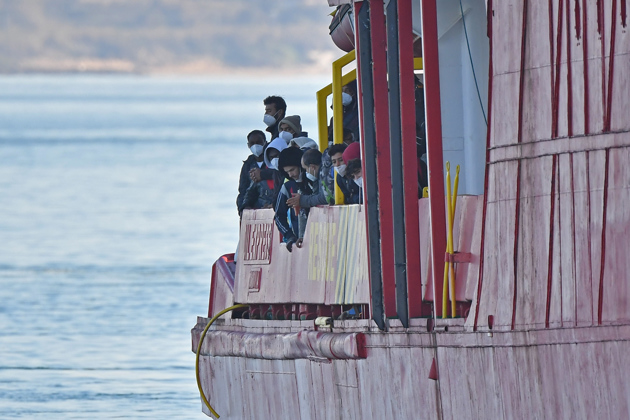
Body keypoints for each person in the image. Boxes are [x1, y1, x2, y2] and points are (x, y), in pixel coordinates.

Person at [274, 147, 311, 252]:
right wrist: (289, 235)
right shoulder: (287, 187)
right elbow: (278, 215)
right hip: (299, 242)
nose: (290, 175)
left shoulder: (312, 181)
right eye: (287, 172)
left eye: (292, 170)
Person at [237, 130, 267, 215]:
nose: (255, 146)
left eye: (259, 142)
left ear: (265, 142)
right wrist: (242, 208)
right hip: (253, 210)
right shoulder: (248, 164)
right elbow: (243, 189)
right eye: (252, 143)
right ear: (248, 145)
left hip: (268, 207)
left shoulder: (271, 161)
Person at [327, 80, 360, 145]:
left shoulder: (360, 114)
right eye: (341, 90)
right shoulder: (334, 119)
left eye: (347, 90)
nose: (344, 93)